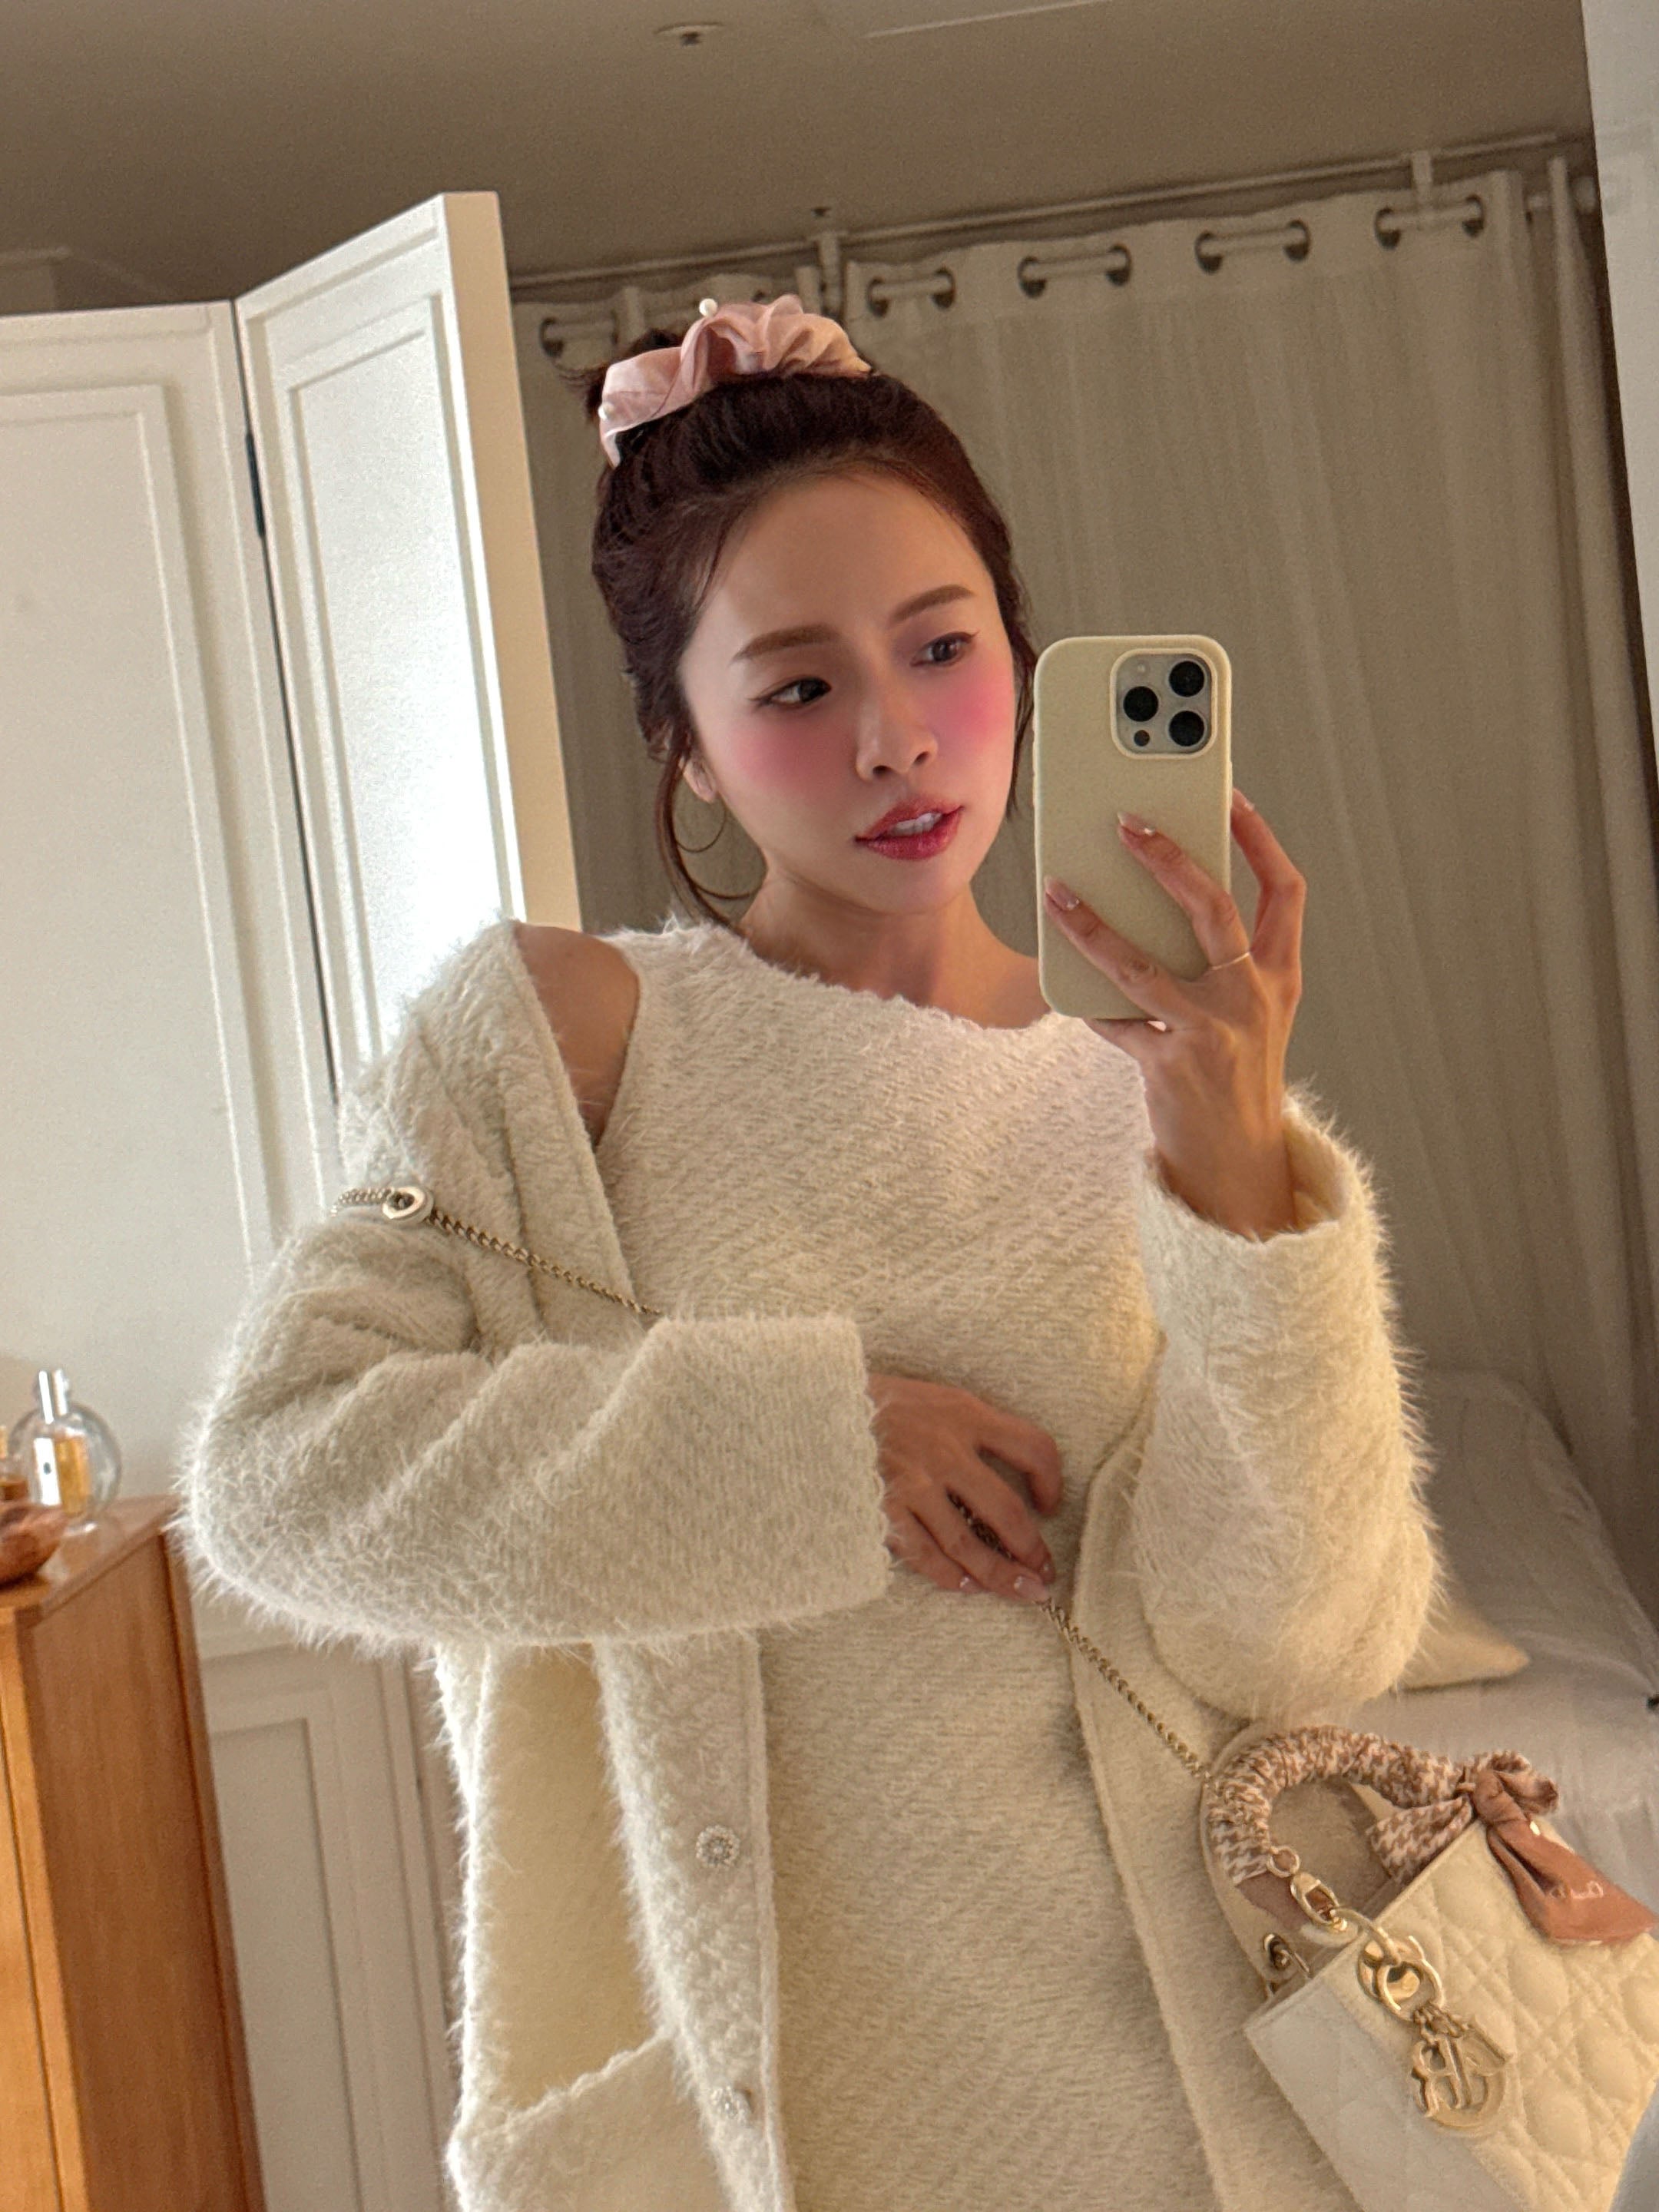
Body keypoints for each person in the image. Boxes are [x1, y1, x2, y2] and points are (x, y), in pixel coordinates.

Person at [180, 295, 1438, 2212]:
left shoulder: (1166, 1097)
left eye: (942, 648)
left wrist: (1239, 1166)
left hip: (1198, 2117)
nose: (896, 737)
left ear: (1020, 658)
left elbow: (1299, 1651)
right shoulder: (568, 1039)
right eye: (793, 687)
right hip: (770, 2124)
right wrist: (809, 1444)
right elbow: (282, 1475)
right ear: (683, 748)